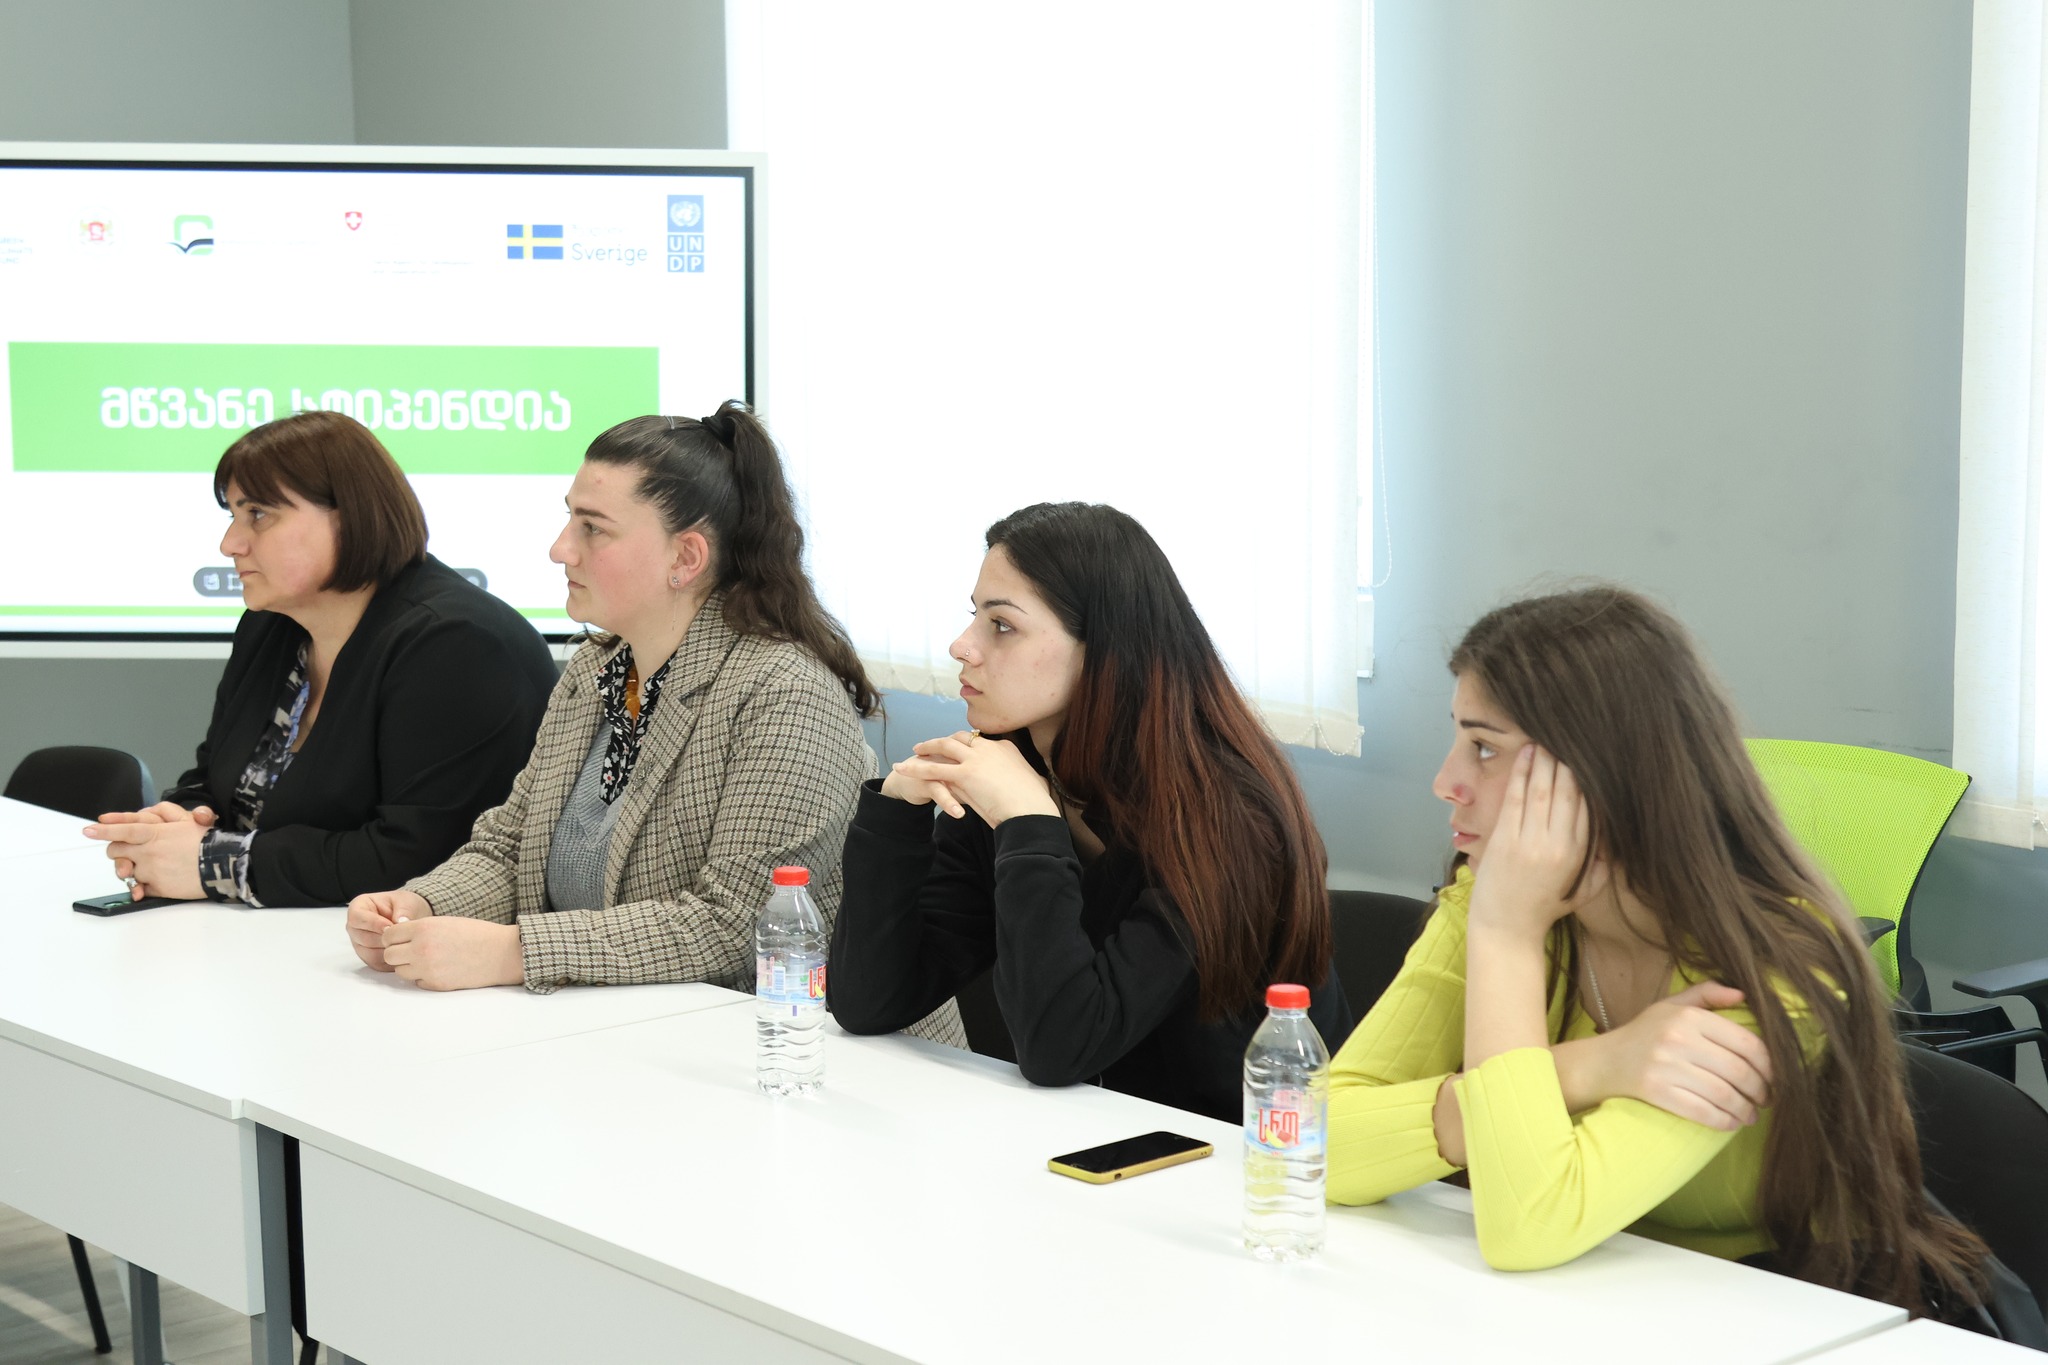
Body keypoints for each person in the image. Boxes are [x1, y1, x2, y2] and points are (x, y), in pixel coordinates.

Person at [1327, 586, 1989, 1317]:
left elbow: (1527, 1223)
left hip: (1767, 1320)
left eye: (1484, 747)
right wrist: (1590, 1065)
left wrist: (1506, 937)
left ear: (1600, 768)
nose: (1445, 782)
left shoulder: (1776, 967)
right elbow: (1302, 1139)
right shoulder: (1494, 898)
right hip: (1566, 1309)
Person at [342, 404, 961, 1042]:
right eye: (569, 519)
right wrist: (419, 905)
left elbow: (735, 926)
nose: (560, 549)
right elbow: (512, 847)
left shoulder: (785, 693)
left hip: (818, 1059)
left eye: (593, 528)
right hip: (645, 1042)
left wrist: (514, 951)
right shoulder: (594, 672)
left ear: (685, 557)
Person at [828, 501, 1352, 1121]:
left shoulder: (1226, 820)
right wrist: (895, 815)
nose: (961, 646)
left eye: (1003, 625)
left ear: (1102, 649)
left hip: (1252, 1159)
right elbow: (868, 1002)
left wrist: (1030, 826)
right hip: (1091, 1141)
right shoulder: (1013, 771)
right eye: (975, 617)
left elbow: (1060, 1047)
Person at [84, 411, 556, 907]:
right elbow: (214, 780)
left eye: (258, 514)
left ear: (350, 517)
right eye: (232, 517)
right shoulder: (273, 625)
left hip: (402, 943)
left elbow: (424, 858)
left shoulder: (456, 644)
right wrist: (175, 825)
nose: (229, 544)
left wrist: (213, 864)